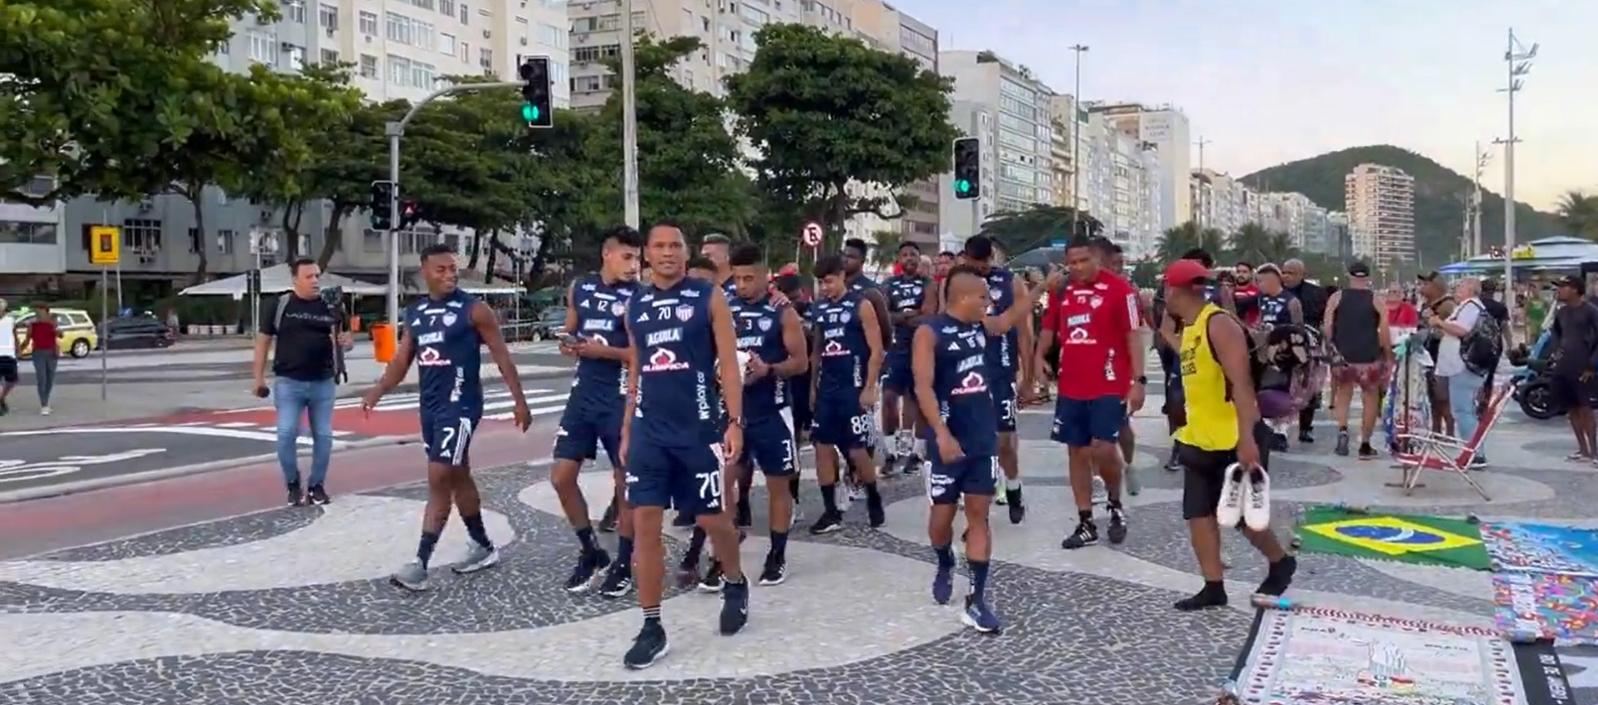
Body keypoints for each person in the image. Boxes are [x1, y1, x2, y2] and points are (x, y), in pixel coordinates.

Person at [362, 244, 534, 590]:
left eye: (453, 268)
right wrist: (378, 390)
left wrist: (520, 401)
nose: (449, 275)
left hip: (462, 404)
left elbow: (502, 356)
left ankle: (420, 564)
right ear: (425, 272)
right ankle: (482, 545)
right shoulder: (418, 313)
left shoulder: (474, 310)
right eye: (441, 269)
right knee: (457, 475)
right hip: (431, 408)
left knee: (439, 474)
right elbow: (401, 361)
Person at [617, 221, 749, 669]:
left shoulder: (706, 296)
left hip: (698, 429)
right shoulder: (635, 304)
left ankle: (734, 579)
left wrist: (734, 421)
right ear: (646, 255)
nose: (668, 252)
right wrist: (626, 428)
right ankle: (651, 625)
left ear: (687, 253)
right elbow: (636, 368)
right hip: (649, 432)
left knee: (714, 519)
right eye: (660, 246)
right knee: (645, 523)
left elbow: (729, 361)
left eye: (676, 245)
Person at [1162, 258, 1296, 610]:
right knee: (1198, 515)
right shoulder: (1190, 328)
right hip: (1198, 437)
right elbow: (1181, 350)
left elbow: (1242, 383)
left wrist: (1247, 438)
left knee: (1240, 519)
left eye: (1166, 289)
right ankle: (1213, 586)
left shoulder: (1218, 324)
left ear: (1176, 290)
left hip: (1232, 437)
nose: (1164, 295)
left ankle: (1281, 562)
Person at [550, 226, 641, 597]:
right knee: (561, 476)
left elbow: (642, 354)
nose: (634, 265)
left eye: (638, 258)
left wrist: (603, 352)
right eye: (627, 257)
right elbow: (571, 331)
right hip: (582, 392)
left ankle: (623, 562)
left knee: (625, 483)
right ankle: (590, 550)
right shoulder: (581, 288)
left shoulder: (640, 298)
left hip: (618, 395)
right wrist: (569, 345)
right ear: (607, 254)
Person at [1035, 235, 1143, 548]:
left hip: (1110, 381)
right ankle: (1085, 521)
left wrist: (1138, 380)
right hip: (1072, 382)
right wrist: (1039, 356)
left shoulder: (1120, 290)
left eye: (1084, 260)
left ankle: (1114, 502)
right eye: (1073, 262)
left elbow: (1133, 336)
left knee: (1103, 448)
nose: (1079, 267)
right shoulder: (1062, 290)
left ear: (1098, 259)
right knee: (1077, 451)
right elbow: (1049, 327)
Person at [914, 264, 1002, 633]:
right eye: (983, 296)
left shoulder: (981, 329)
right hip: (947, 441)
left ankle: (977, 599)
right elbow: (923, 387)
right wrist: (942, 433)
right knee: (941, 521)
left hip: (983, 438)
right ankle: (944, 560)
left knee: (979, 516)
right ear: (964, 297)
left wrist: (1041, 286)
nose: (988, 302)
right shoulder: (929, 332)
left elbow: (1011, 318)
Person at [726, 243, 810, 585]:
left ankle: (777, 554)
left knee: (778, 486)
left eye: (749, 278)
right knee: (722, 483)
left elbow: (801, 362)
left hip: (772, 411)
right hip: (732, 414)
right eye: (738, 278)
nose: (743, 285)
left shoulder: (782, 311)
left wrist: (768, 370)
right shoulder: (724, 306)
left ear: (765, 276)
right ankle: (723, 552)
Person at [252, 258, 354, 506]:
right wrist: (258, 378)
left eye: (317, 276)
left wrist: (346, 343)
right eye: (309, 277)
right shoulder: (280, 304)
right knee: (286, 433)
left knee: (324, 435)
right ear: (295, 280)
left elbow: (347, 339)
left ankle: (316, 485)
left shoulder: (332, 306)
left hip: (322, 381)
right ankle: (292, 484)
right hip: (289, 381)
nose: (315, 281)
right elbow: (263, 341)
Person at [955, 236, 1032, 523]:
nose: (982, 267)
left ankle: (1013, 488)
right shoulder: (956, 284)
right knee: (970, 441)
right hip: (966, 373)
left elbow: (1024, 330)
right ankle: (977, 509)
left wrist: (1029, 375)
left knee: (1004, 441)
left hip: (1000, 372)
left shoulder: (1010, 282)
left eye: (986, 261)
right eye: (976, 262)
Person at [808, 253, 886, 534]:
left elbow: (877, 350)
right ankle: (831, 511)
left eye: (829, 281)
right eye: (820, 283)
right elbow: (816, 351)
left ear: (842, 276)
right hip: (827, 390)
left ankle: (874, 496)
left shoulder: (861, 305)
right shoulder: (819, 308)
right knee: (822, 448)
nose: (825, 287)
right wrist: (812, 387)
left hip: (853, 388)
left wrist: (870, 386)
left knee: (857, 450)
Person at [1322, 261, 1393, 460]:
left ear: (1349, 276)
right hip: (1369, 357)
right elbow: (1384, 331)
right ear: (1368, 278)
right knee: (1370, 397)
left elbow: (1327, 327)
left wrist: (1331, 347)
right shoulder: (1376, 300)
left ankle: (1343, 430)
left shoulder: (1336, 298)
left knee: (1343, 394)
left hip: (1343, 356)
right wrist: (1388, 355)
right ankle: (1365, 443)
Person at [881, 241, 933, 475]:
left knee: (919, 398)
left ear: (919, 258)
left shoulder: (928, 285)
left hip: (921, 347)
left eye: (913, 254)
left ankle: (917, 452)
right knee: (889, 397)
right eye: (905, 255)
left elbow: (929, 315)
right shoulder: (888, 285)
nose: (909, 258)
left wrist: (902, 316)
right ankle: (890, 452)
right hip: (896, 348)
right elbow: (884, 316)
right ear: (899, 259)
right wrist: (908, 316)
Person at [1430, 277, 1488, 466]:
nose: (1457, 289)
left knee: (1463, 410)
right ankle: (1471, 450)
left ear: (1471, 289)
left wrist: (1439, 322)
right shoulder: (1465, 306)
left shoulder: (1471, 306)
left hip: (1462, 366)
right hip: (1458, 366)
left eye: (1461, 286)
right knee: (1463, 410)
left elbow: (1461, 330)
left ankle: (1475, 453)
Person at [1548, 276, 1598, 461]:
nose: (1559, 290)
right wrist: (1556, 350)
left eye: (1563, 287)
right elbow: (1555, 333)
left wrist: (1592, 365)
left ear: (1575, 289)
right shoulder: (1562, 312)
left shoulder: (1591, 312)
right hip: (1564, 367)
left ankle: (1594, 451)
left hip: (1584, 367)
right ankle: (1582, 450)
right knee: (1571, 408)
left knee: (1586, 408)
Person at [1280, 259, 1328, 443]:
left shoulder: (1316, 293)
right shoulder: (1278, 292)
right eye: (1283, 272)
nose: (1285, 276)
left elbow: (1323, 320)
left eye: (1290, 273)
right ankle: (1280, 430)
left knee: (1309, 388)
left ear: (1301, 274)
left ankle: (1305, 428)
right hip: (1283, 345)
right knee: (1284, 387)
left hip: (1310, 345)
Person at [1417, 271, 1457, 436]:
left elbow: (1453, 330)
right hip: (1429, 354)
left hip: (1443, 354)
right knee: (1433, 395)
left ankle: (1449, 431)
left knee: (1443, 396)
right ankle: (1435, 428)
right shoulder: (1427, 305)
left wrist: (1433, 327)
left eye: (1425, 284)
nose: (1421, 288)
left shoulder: (1447, 305)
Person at [18, 303, 59, 415]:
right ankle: (44, 404)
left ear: (46, 311)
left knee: (50, 379)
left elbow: (60, 335)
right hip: (38, 353)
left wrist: (57, 330)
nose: (38, 313)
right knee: (42, 378)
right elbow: (27, 339)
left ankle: (46, 400)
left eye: (40, 311)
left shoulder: (52, 322)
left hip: (52, 353)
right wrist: (19, 350)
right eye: (36, 311)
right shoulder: (33, 325)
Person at [0, 299, 16, 416]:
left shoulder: (10, 320)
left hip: (9, 355)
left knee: (12, 380)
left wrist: (19, 349)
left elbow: (14, 335)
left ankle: (1, 397)